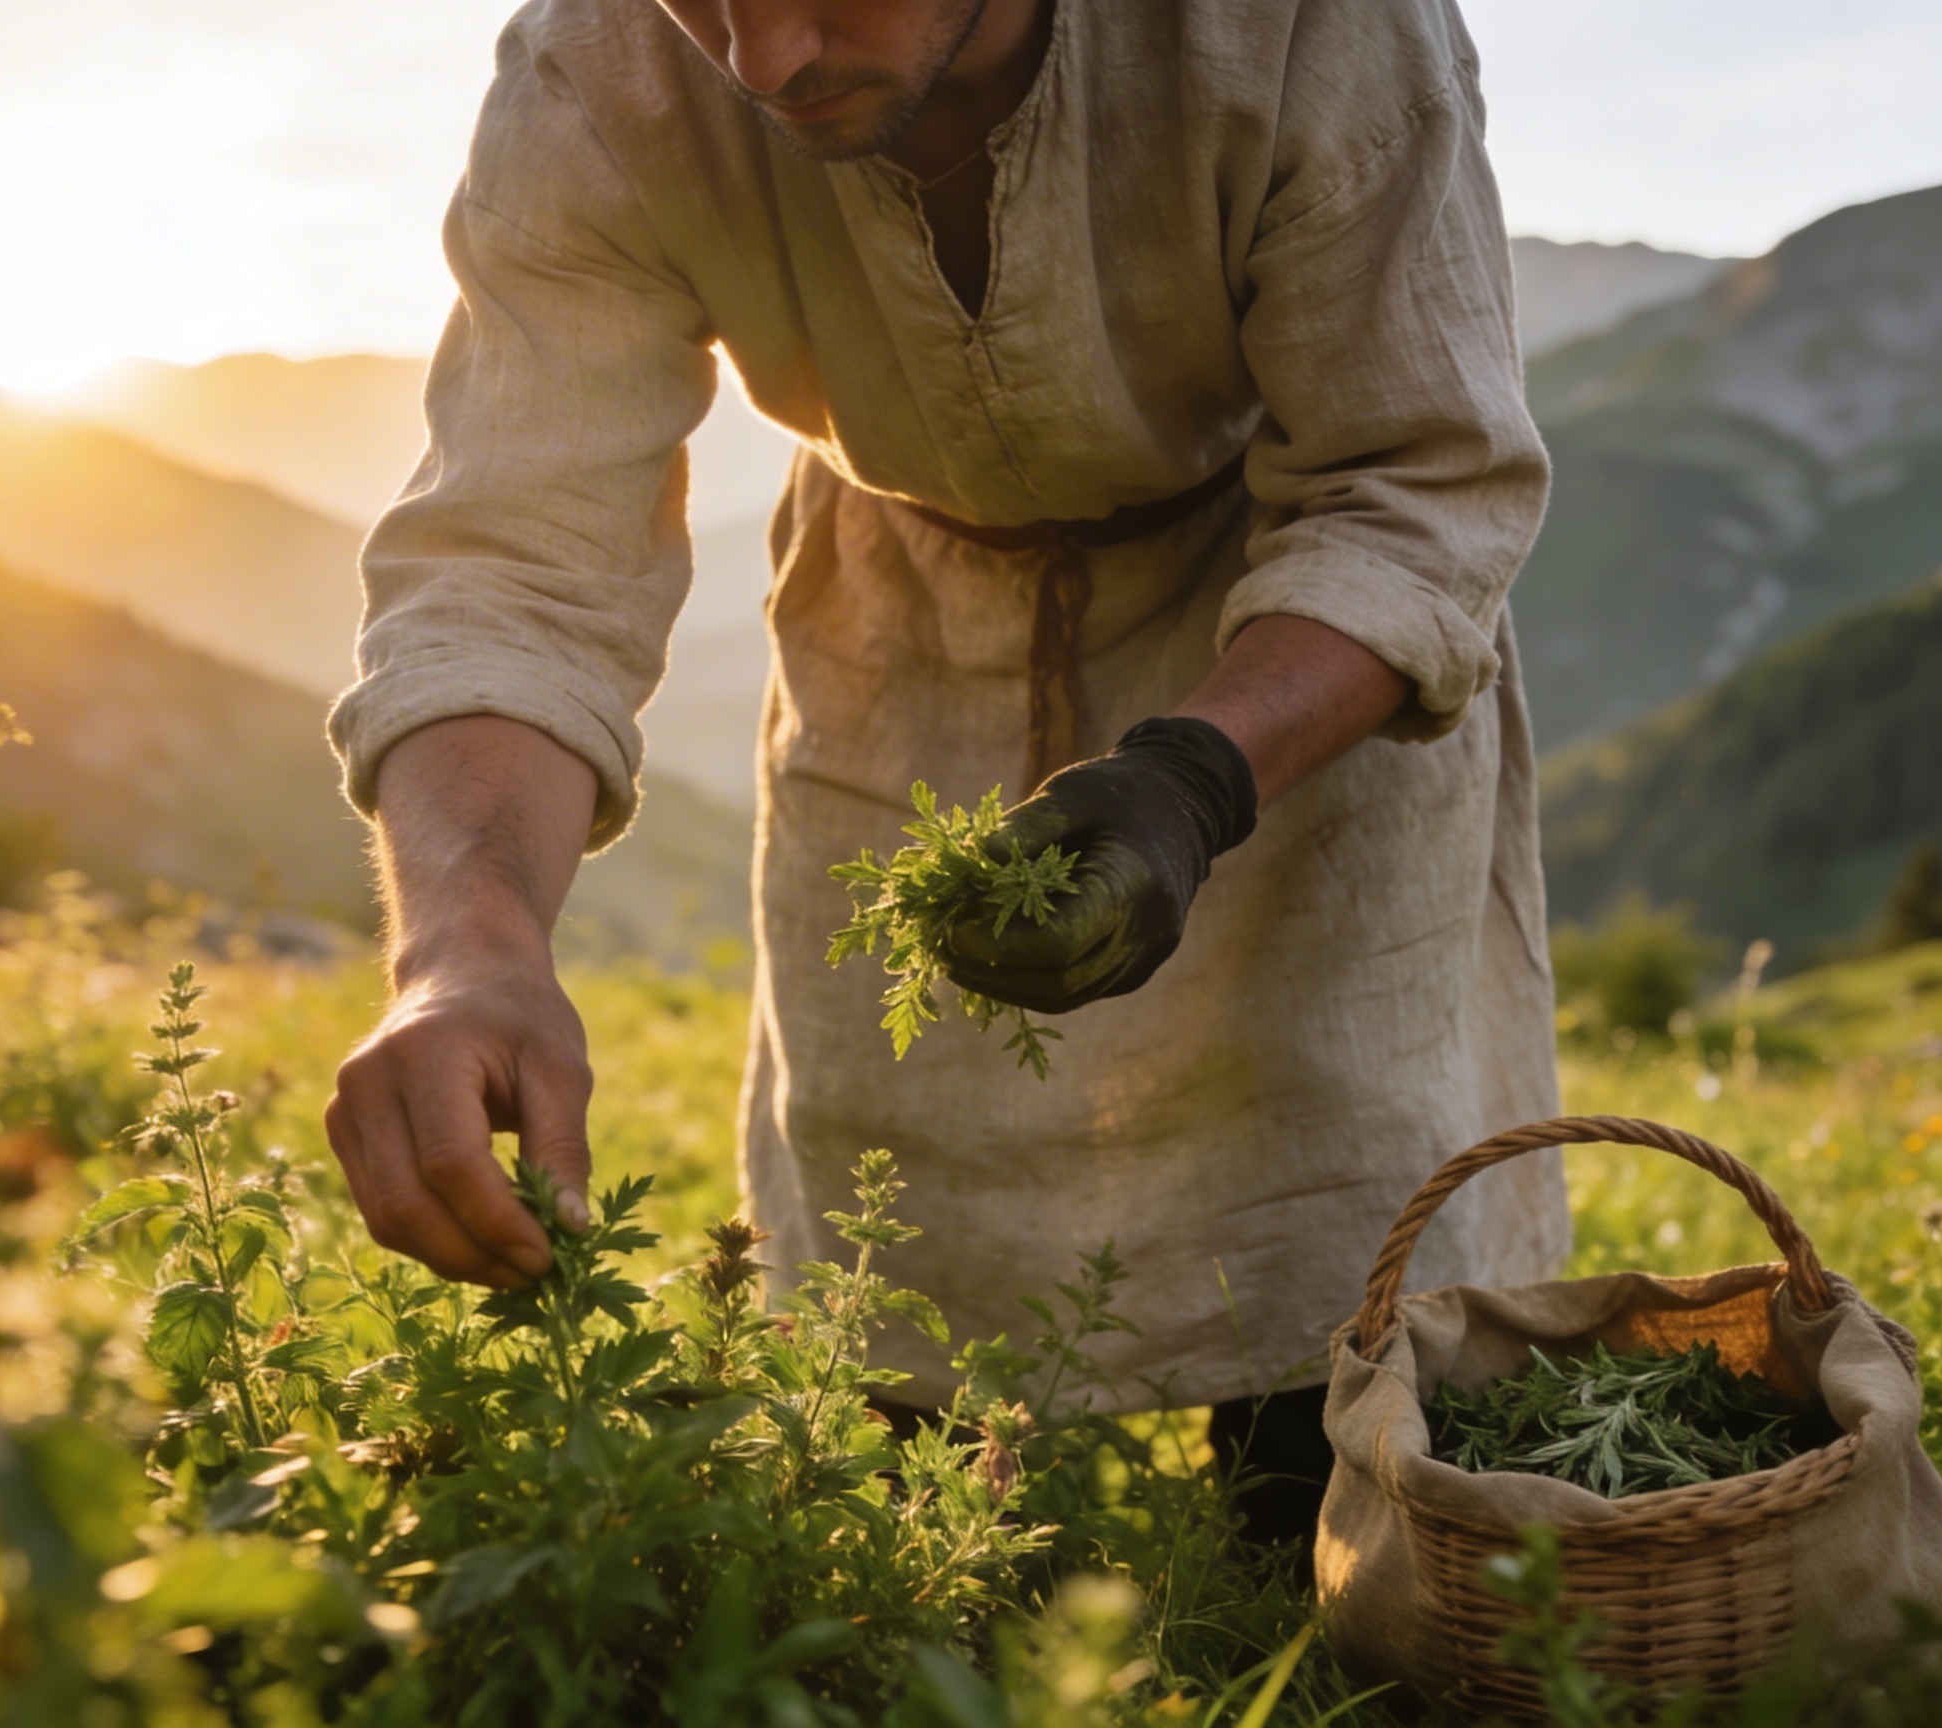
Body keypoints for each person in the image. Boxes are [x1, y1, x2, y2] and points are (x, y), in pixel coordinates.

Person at [323, 0, 1571, 1544]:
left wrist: (1194, 780)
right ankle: (927, 1571)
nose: (763, 60)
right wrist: (464, 951)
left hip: (1291, 634)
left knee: (1333, 1271)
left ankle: (1298, 1522)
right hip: (904, 624)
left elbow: (1414, 485)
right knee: (892, 1265)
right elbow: (515, 566)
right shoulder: (597, 71)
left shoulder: (1312, 25)